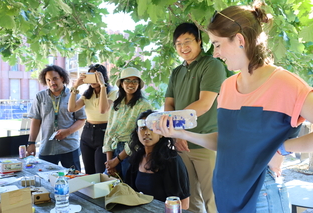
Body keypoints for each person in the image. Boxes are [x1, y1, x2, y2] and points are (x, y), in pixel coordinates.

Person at [155, 3, 313, 213]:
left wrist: (283, 147)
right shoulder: (228, 87)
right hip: (225, 194)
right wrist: (179, 132)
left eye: (218, 44)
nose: (215, 53)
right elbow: (226, 141)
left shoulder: (285, 83)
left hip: (261, 197)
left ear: (240, 40)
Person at [164, 22, 226, 213]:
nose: (183, 47)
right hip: (182, 145)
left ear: (200, 41)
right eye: (178, 43)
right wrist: (175, 135)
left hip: (207, 144)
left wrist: (178, 131)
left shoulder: (212, 65)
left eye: (188, 41)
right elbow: (168, 105)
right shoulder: (177, 72)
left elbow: (204, 103)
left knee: (214, 200)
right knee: (190, 201)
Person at [125, 109, 190, 209]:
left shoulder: (172, 160)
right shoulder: (136, 158)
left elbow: (184, 204)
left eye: (152, 128)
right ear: (137, 132)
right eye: (142, 128)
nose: (146, 133)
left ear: (161, 133)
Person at [27, 65, 86, 171]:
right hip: (47, 148)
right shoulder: (40, 97)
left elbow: (81, 119)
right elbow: (35, 120)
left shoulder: (74, 96)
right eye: (48, 80)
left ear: (62, 78)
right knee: (45, 181)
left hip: (69, 147)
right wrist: (31, 143)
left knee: (74, 181)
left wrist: (67, 131)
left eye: (55, 78)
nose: (52, 83)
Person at [103, 67, 152, 180]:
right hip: (114, 150)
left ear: (139, 84)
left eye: (135, 81)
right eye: (127, 80)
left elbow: (140, 136)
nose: (131, 84)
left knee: (128, 188)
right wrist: (109, 162)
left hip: (131, 153)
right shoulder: (116, 104)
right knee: (110, 186)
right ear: (121, 83)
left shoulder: (144, 105)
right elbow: (109, 131)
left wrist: (117, 160)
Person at [68, 64, 117, 174]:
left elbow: (103, 109)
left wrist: (103, 86)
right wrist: (75, 86)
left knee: (100, 172)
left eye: (96, 76)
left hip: (104, 133)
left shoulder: (113, 92)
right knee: (89, 172)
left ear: (103, 77)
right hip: (87, 132)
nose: (92, 80)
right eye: (90, 76)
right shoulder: (88, 94)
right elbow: (71, 108)